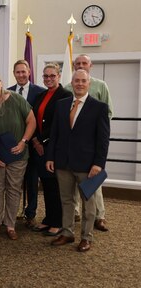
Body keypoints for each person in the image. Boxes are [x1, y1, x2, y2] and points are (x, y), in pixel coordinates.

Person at [46, 69, 110, 252]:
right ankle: (67, 233)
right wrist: (50, 157)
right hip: (63, 162)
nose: (80, 84)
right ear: (72, 83)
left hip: (87, 165)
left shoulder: (99, 107)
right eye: (76, 81)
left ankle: (86, 237)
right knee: (66, 200)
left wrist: (99, 163)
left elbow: (103, 139)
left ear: (89, 83)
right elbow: (54, 134)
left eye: (83, 81)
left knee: (88, 203)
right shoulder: (61, 105)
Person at [0, 70, 36, 241]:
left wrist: (23, 142)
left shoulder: (16, 98)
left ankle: (11, 225)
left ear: (1, 83)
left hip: (18, 154)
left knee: (13, 189)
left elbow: (31, 121)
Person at [65, 54, 113, 231]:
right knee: (72, 182)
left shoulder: (100, 85)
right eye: (78, 63)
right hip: (72, 145)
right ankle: (76, 212)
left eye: (84, 63)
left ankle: (100, 216)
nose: (81, 65)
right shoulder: (68, 87)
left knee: (93, 183)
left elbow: (108, 113)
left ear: (90, 65)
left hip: (91, 144)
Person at [30, 63, 73, 236]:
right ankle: (48, 218)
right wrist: (34, 140)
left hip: (54, 147)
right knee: (46, 184)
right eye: (46, 76)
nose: (49, 79)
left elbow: (60, 123)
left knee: (55, 185)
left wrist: (41, 140)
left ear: (59, 76)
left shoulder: (65, 95)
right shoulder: (41, 95)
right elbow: (33, 119)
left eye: (52, 76)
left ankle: (58, 221)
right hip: (39, 146)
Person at [7, 59, 46, 228]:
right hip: (12, 143)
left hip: (33, 143)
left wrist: (35, 139)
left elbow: (39, 119)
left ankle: (30, 213)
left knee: (31, 180)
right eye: (18, 72)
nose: (21, 75)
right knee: (11, 181)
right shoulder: (7, 92)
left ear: (29, 72)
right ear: (14, 73)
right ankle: (9, 214)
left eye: (24, 72)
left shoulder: (40, 92)